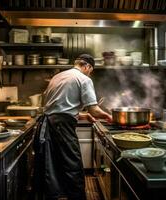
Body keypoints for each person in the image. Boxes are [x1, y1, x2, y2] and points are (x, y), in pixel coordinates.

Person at [33, 54, 112, 200]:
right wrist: (110, 117)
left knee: (53, 163)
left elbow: (58, 106)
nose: (90, 73)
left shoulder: (59, 76)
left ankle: (56, 195)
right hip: (62, 126)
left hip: (49, 123)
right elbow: (94, 110)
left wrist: (82, 116)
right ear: (87, 66)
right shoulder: (84, 79)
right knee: (72, 163)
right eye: (90, 70)